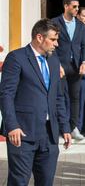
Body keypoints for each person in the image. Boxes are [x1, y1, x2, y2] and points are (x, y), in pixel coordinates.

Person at [0, 18, 72, 185]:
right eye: (53, 39)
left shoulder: (53, 60)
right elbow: (6, 94)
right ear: (40, 37)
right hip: (22, 133)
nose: (56, 44)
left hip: (49, 135)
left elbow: (58, 97)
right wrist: (12, 126)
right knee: (19, 182)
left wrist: (65, 127)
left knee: (46, 182)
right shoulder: (16, 58)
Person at [52, 0, 85, 140]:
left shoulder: (80, 25)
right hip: (60, 65)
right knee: (59, 97)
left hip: (76, 67)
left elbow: (84, 45)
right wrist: (56, 65)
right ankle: (62, 128)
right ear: (66, 6)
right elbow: (52, 46)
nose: (77, 9)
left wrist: (84, 62)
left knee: (75, 98)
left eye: (78, 7)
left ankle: (73, 127)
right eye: (74, 7)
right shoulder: (55, 22)